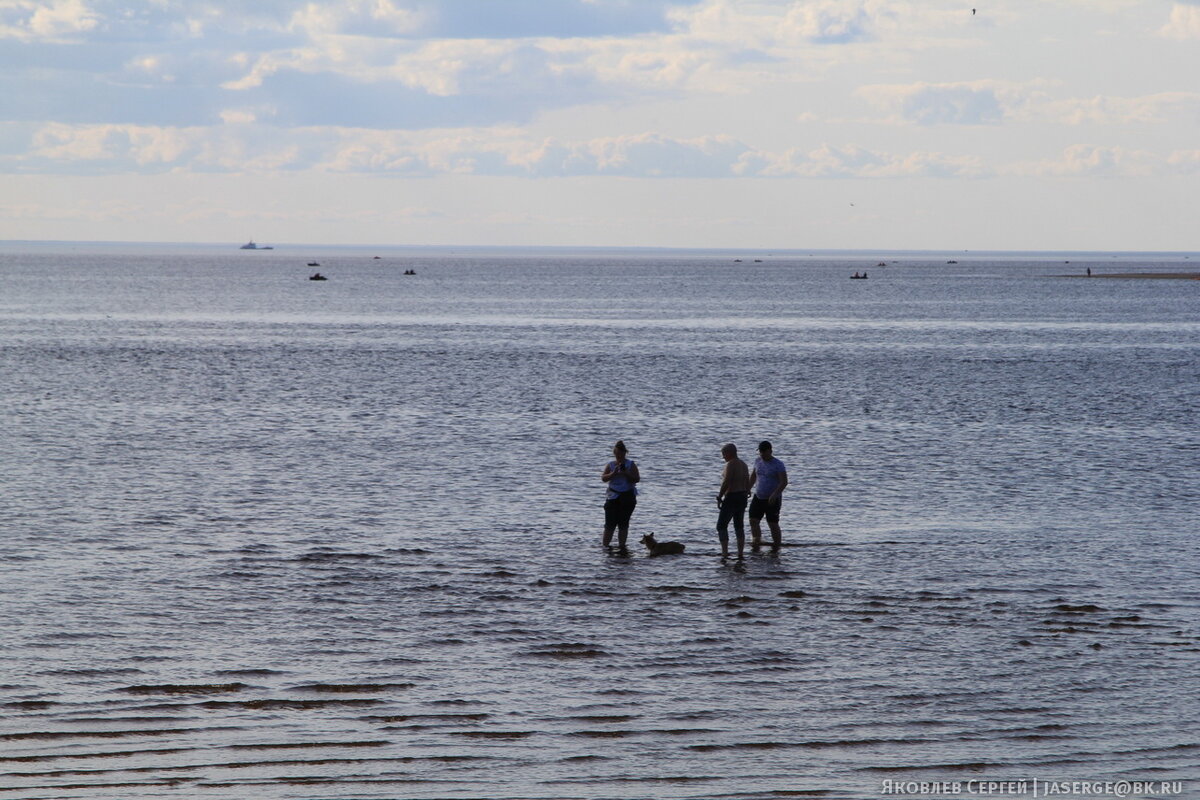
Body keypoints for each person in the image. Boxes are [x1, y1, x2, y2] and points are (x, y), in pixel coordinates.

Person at [601, 440, 640, 553]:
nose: (619, 456)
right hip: (613, 497)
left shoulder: (630, 464)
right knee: (609, 524)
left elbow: (636, 479)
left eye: (621, 454)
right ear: (614, 453)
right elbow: (603, 478)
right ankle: (605, 547)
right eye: (617, 454)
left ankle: (622, 547)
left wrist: (626, 473)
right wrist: (613, 474)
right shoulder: (611, 465)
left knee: (623, 524)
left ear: (625, 453)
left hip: (627, 498)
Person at [748, 440, 788, 550]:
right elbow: (753, 476)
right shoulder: (757, 461)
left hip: (773, 498)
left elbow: (784, 482)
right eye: (760, 452)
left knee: (773, 524)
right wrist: (748, 488)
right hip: (759, 497)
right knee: (753, 520)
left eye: (764, 452)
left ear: (770, 451)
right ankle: (756, 543)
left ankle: (777, 547)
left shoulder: (778, 464)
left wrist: (775, 494)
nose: (762, 455)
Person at [716, 443, 751, 560]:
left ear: (729, 453)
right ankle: (740, 553)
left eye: (724, 454)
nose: (723, 457)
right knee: (738, 525)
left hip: (732, 496)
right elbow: (747, 480)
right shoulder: (744, 464)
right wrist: (747, 491)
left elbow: (727, 481)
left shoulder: (730, 464)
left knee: (721, 525)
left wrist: (720, 496)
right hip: (742, 496)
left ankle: (724, 553)